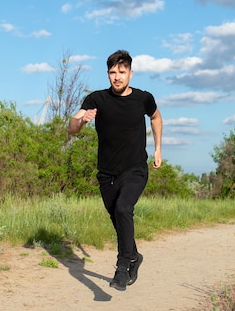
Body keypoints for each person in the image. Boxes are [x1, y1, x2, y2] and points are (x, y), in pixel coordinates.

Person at [67, 49, 163, 291]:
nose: (117, 77)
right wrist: (81, 120)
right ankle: (134, 256)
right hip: (107, 174)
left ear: (131, 73)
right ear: (107, 74)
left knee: (123, 208)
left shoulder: (143, 98)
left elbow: (156, 118)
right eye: (112, 72)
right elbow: (71, 127)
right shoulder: (96, 99)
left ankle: (122, 267)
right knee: (117, 218)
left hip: (135, 170)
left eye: (122, 72)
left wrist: (158, 148)